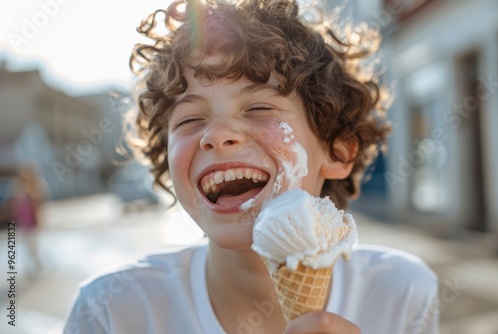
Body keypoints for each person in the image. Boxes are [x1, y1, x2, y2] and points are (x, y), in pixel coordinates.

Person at [63, 0, 438, 333]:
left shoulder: (402, 293)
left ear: (338, 153)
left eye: (259, 108)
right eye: (190, 120)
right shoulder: (110, 312)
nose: (217, 135)